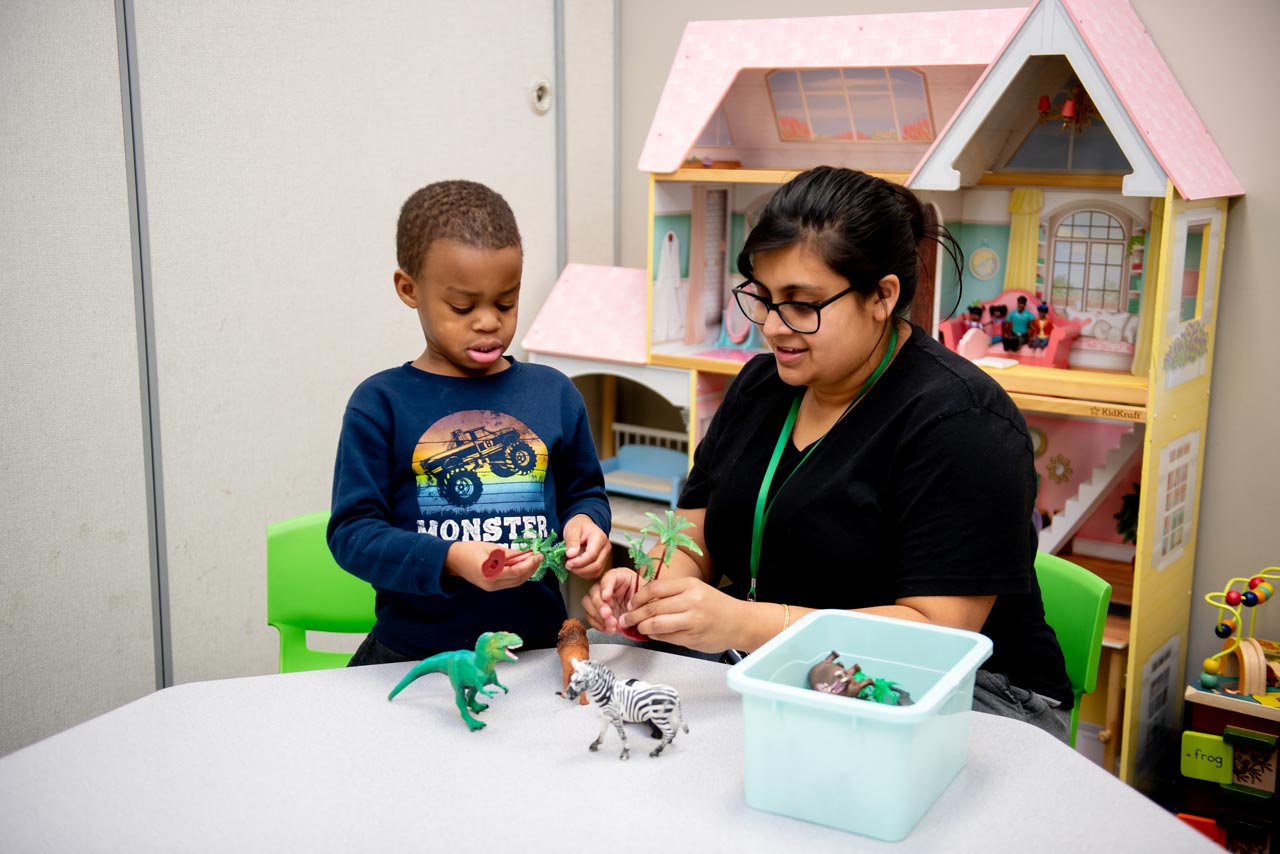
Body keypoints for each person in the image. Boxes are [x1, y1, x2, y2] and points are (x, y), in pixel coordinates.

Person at [583, 166, 1073, 740]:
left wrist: (739, 621)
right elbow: (696, 532)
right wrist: (659, 589)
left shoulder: (962, 424)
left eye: (802, 303)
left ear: (882, 297)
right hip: (780, 659)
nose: (772, 326)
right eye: (762, 298)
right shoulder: (762, 386)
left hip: (968, 691)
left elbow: (937, 636)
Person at [329, 180, 611, 667]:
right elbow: (353, 535)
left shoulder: (554, 394)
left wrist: (587, 524)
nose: (488, 322)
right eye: (463, 307)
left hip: (536, 652)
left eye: (506, 303)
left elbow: (584, 491)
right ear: (409, 289)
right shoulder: (380, 404)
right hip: (413, 654)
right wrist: (452, 559)